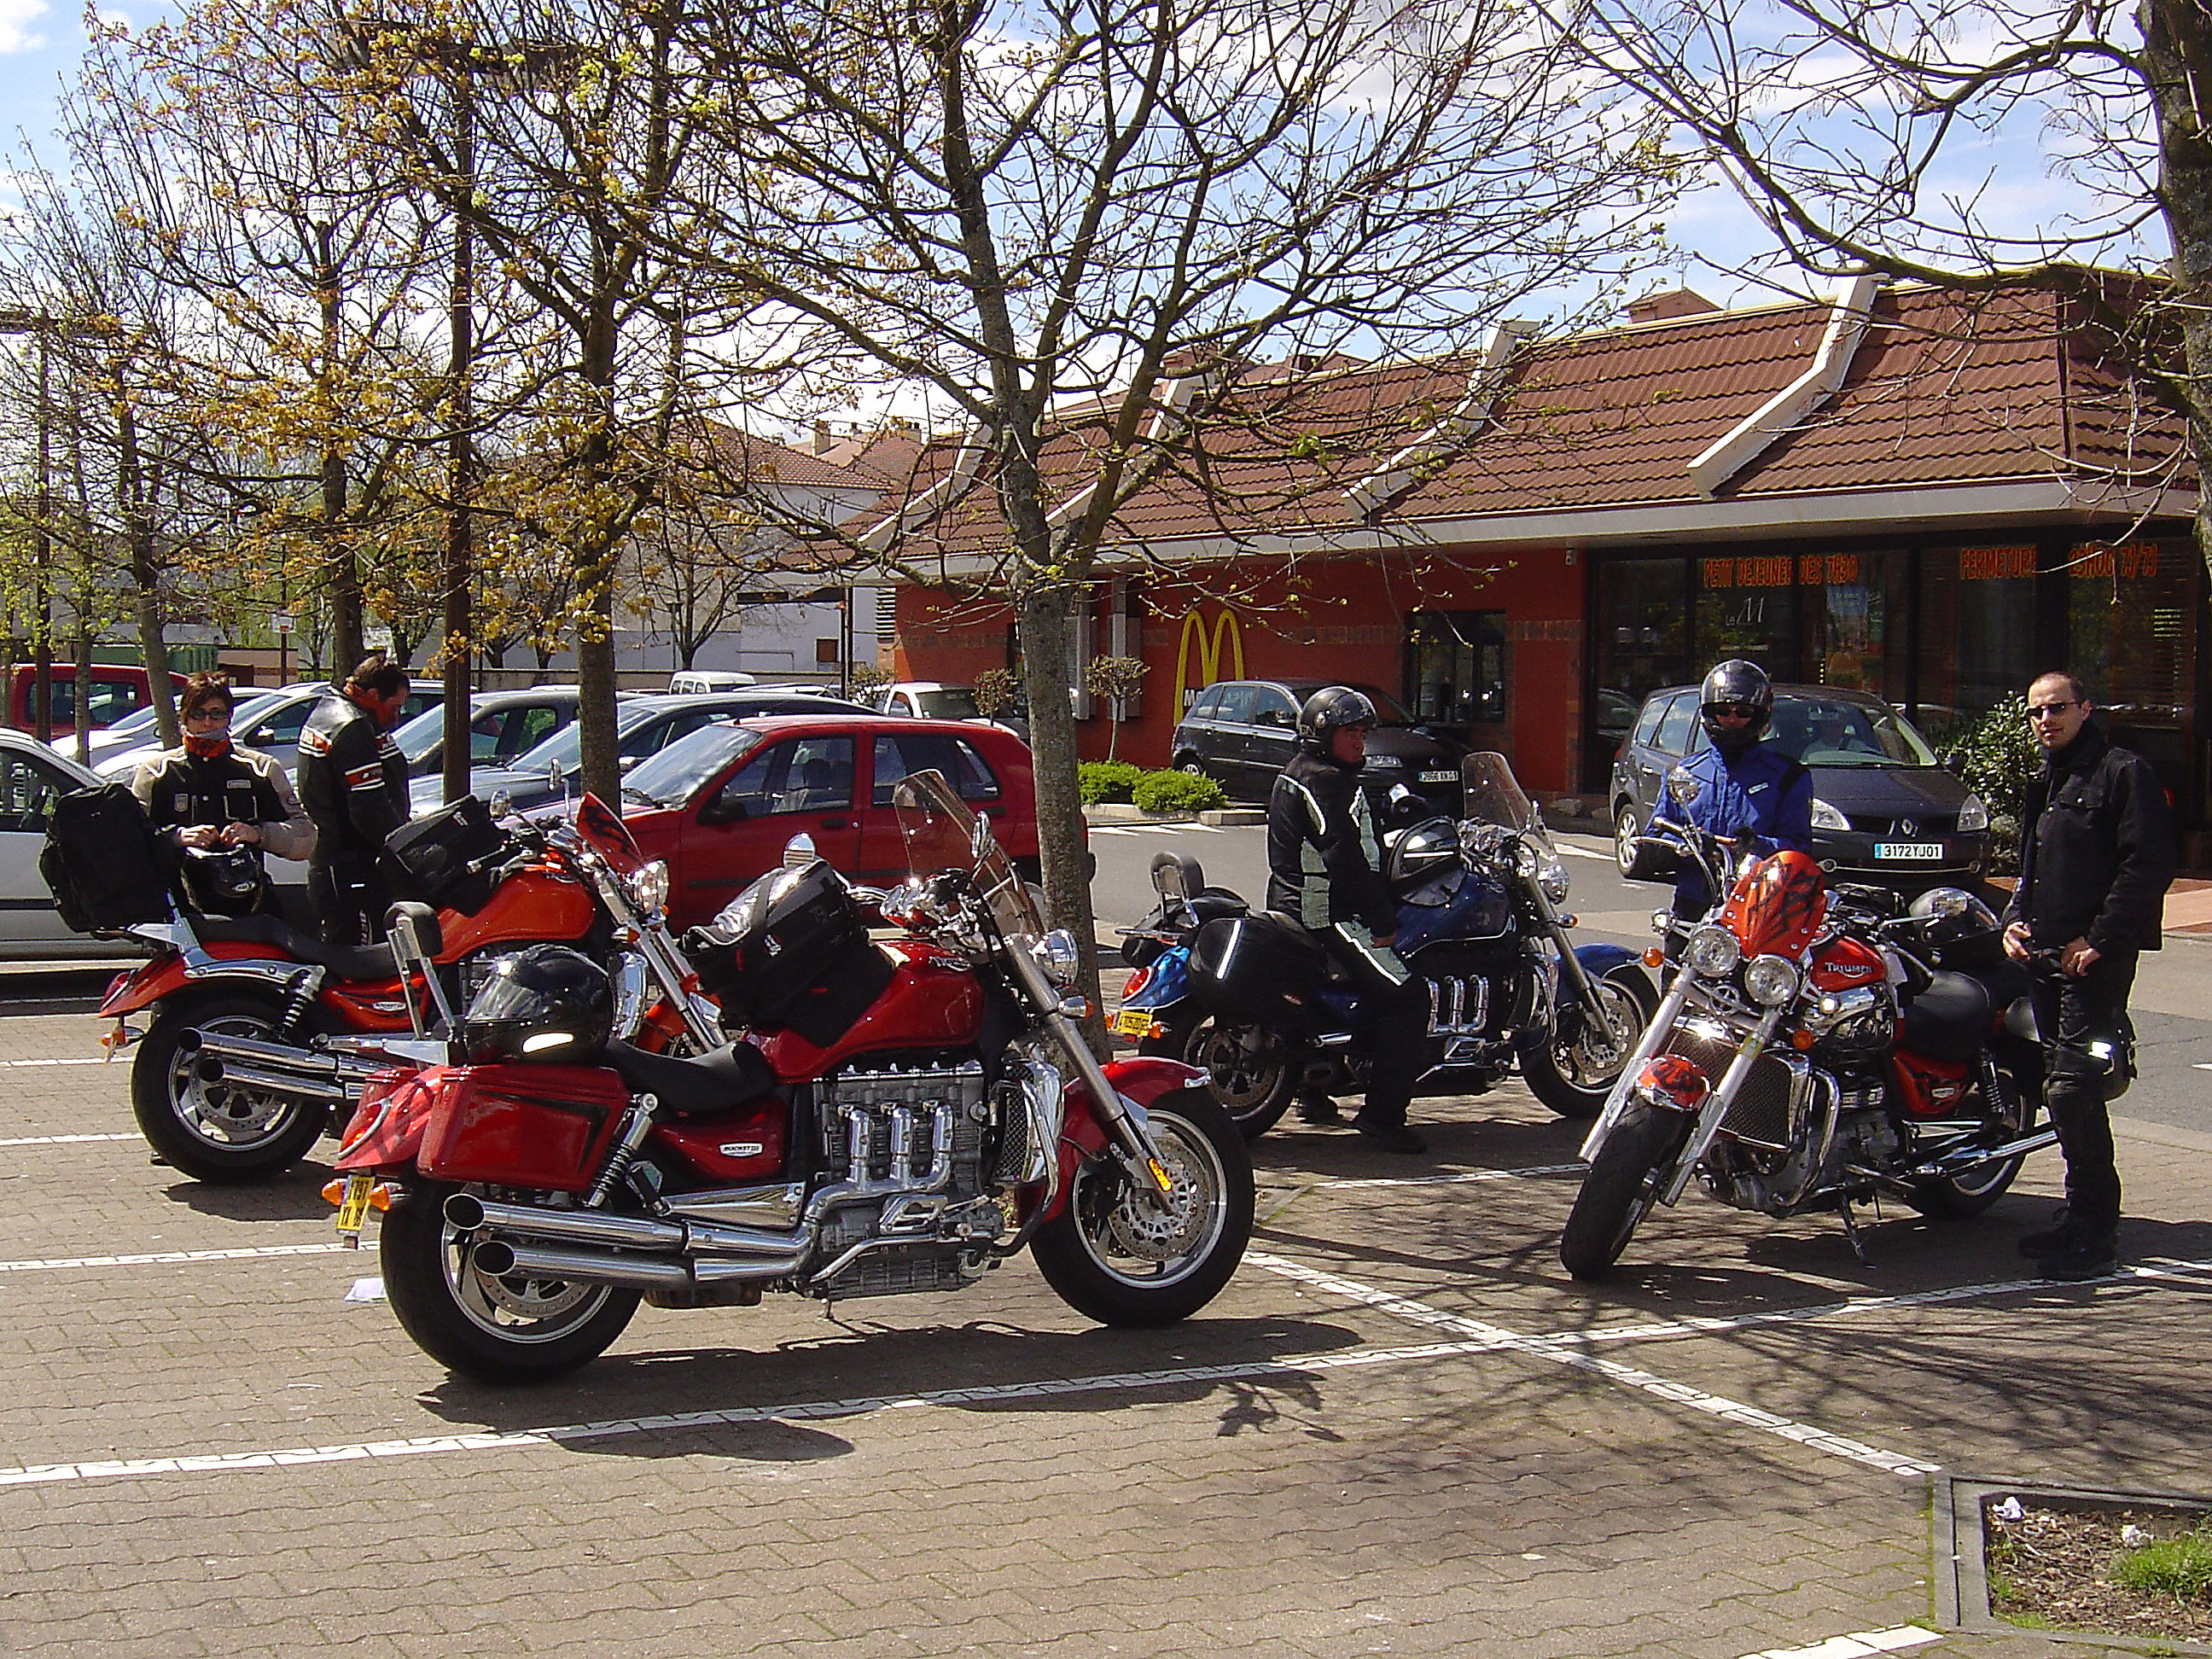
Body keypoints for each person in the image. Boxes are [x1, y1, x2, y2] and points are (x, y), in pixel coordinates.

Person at [2001, 671, 2174, 1282]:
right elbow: (2030, 866)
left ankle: (2096, 1232)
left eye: (2057, 709)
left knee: (2073, 1088)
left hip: (2093, 961)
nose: (2045, 721)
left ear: (2085, 708)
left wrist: (2097, 940)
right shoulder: (2046, 779)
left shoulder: (2122, 773)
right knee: (2058, 1084)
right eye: (2035, 712)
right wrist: (2013, 920)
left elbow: (2147, 865)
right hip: (2044, 956)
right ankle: (2077, 1215)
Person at [1266, 685, 1433, 1155]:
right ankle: (1384, 1117)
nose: (1359, 740)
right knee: (1408, 995)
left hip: (1296, 903)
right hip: (1326, 912)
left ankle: (1312, 1089)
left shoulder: (1310, 773)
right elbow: (1342, 854)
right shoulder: (1324, 780)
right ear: (1321, 735)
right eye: (1349, 732)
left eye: (1362, 732)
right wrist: (1381, 918)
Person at [129, 672, 315, 915]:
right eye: (198, 714)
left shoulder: (260, 768)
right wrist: (176, 837)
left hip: (248, 905)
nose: (207, 723)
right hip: (178, 909)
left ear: (229, 717)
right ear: (185, 717)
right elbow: (129, 840)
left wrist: (258, 833)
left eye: (216, 714)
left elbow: (306, 838)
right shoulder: (156, 771)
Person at [1650, 660, 1815, 932]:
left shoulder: (1787, 776)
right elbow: (1654, 837)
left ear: (1759, 715)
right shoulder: (1683, 773)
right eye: (1722, 711)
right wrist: (1690, 843)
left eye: (1743, 712)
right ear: (1708, 713)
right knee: (1673, 961)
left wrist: (1755, 845)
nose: (1731, 719)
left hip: (1759, 906)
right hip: (1693, 903)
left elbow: (1798, 847)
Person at [297, 655, 412, 946]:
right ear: (372, 695)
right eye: (394, 706)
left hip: (332, 861)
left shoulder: (329, 709)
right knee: (362, 956)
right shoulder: (352, 727)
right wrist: (402, 847)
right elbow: (368, 808)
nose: (396, 717)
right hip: (350, 866)